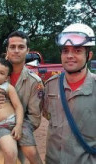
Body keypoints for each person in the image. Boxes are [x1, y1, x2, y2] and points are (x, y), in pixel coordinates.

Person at [0, 31, 44, 164]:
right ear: (7, 49)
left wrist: (15, 128)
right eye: (12, 47)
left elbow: (34, 118)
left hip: (17, 139)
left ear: (27, 50)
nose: (16, 51)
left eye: (21, 47)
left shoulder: (34, 82)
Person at [42, 23, 96, 164]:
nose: (70, 56)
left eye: (77, 51)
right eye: (65, 51)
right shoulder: (51, 85)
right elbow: (47, 115)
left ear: (89, 55)